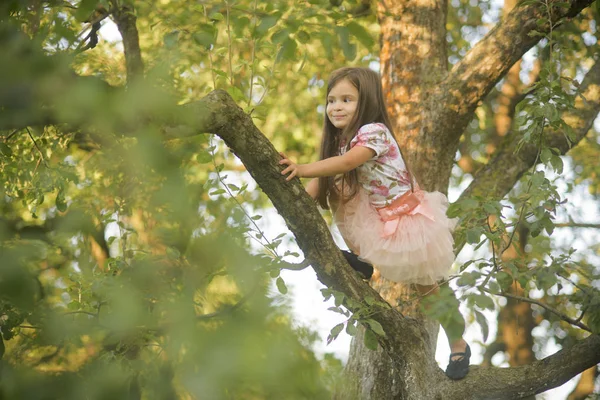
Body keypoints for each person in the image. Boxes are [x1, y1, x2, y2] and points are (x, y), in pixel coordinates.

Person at [278, 67, 471, 380]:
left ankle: (458, 340)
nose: (336, 107)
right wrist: (293, 194)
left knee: (428, 290)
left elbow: (348, 163)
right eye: (331, 101)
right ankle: (361, 259)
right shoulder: (340, 143)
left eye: (346, 100)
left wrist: (301, 168)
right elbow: (324, 182)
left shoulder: (374, 132)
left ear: (365, 102)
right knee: (339, 190)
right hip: (376, 215)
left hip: (407, 221)